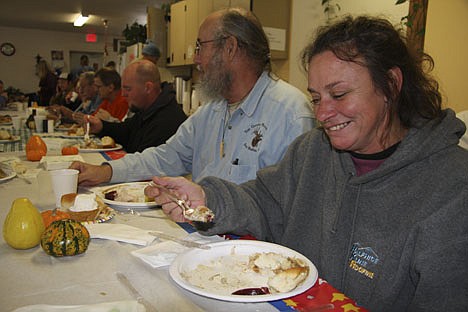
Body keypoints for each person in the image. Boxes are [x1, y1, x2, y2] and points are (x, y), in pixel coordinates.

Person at [146, 16, 468, 311]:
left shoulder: (452, 190)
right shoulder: (312, 150)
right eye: (316, 98)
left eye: (339, 94)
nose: (322, 114)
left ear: (392, 85)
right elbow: (262, 201)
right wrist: (207, 199)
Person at [70, 7, 314, 186]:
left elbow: (293, 209)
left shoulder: (291, 114)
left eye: (200, 47)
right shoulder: (211, 111)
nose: (196, 59)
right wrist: (106, 171)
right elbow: (167, 156)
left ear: (229, 47)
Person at [85, 59, 187, 153]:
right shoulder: (148, 109)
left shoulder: (167, 121)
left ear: (148, 88)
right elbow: (126, 131)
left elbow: (143, 164)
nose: (123, 94)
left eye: (128, 89)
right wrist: (101, 127)